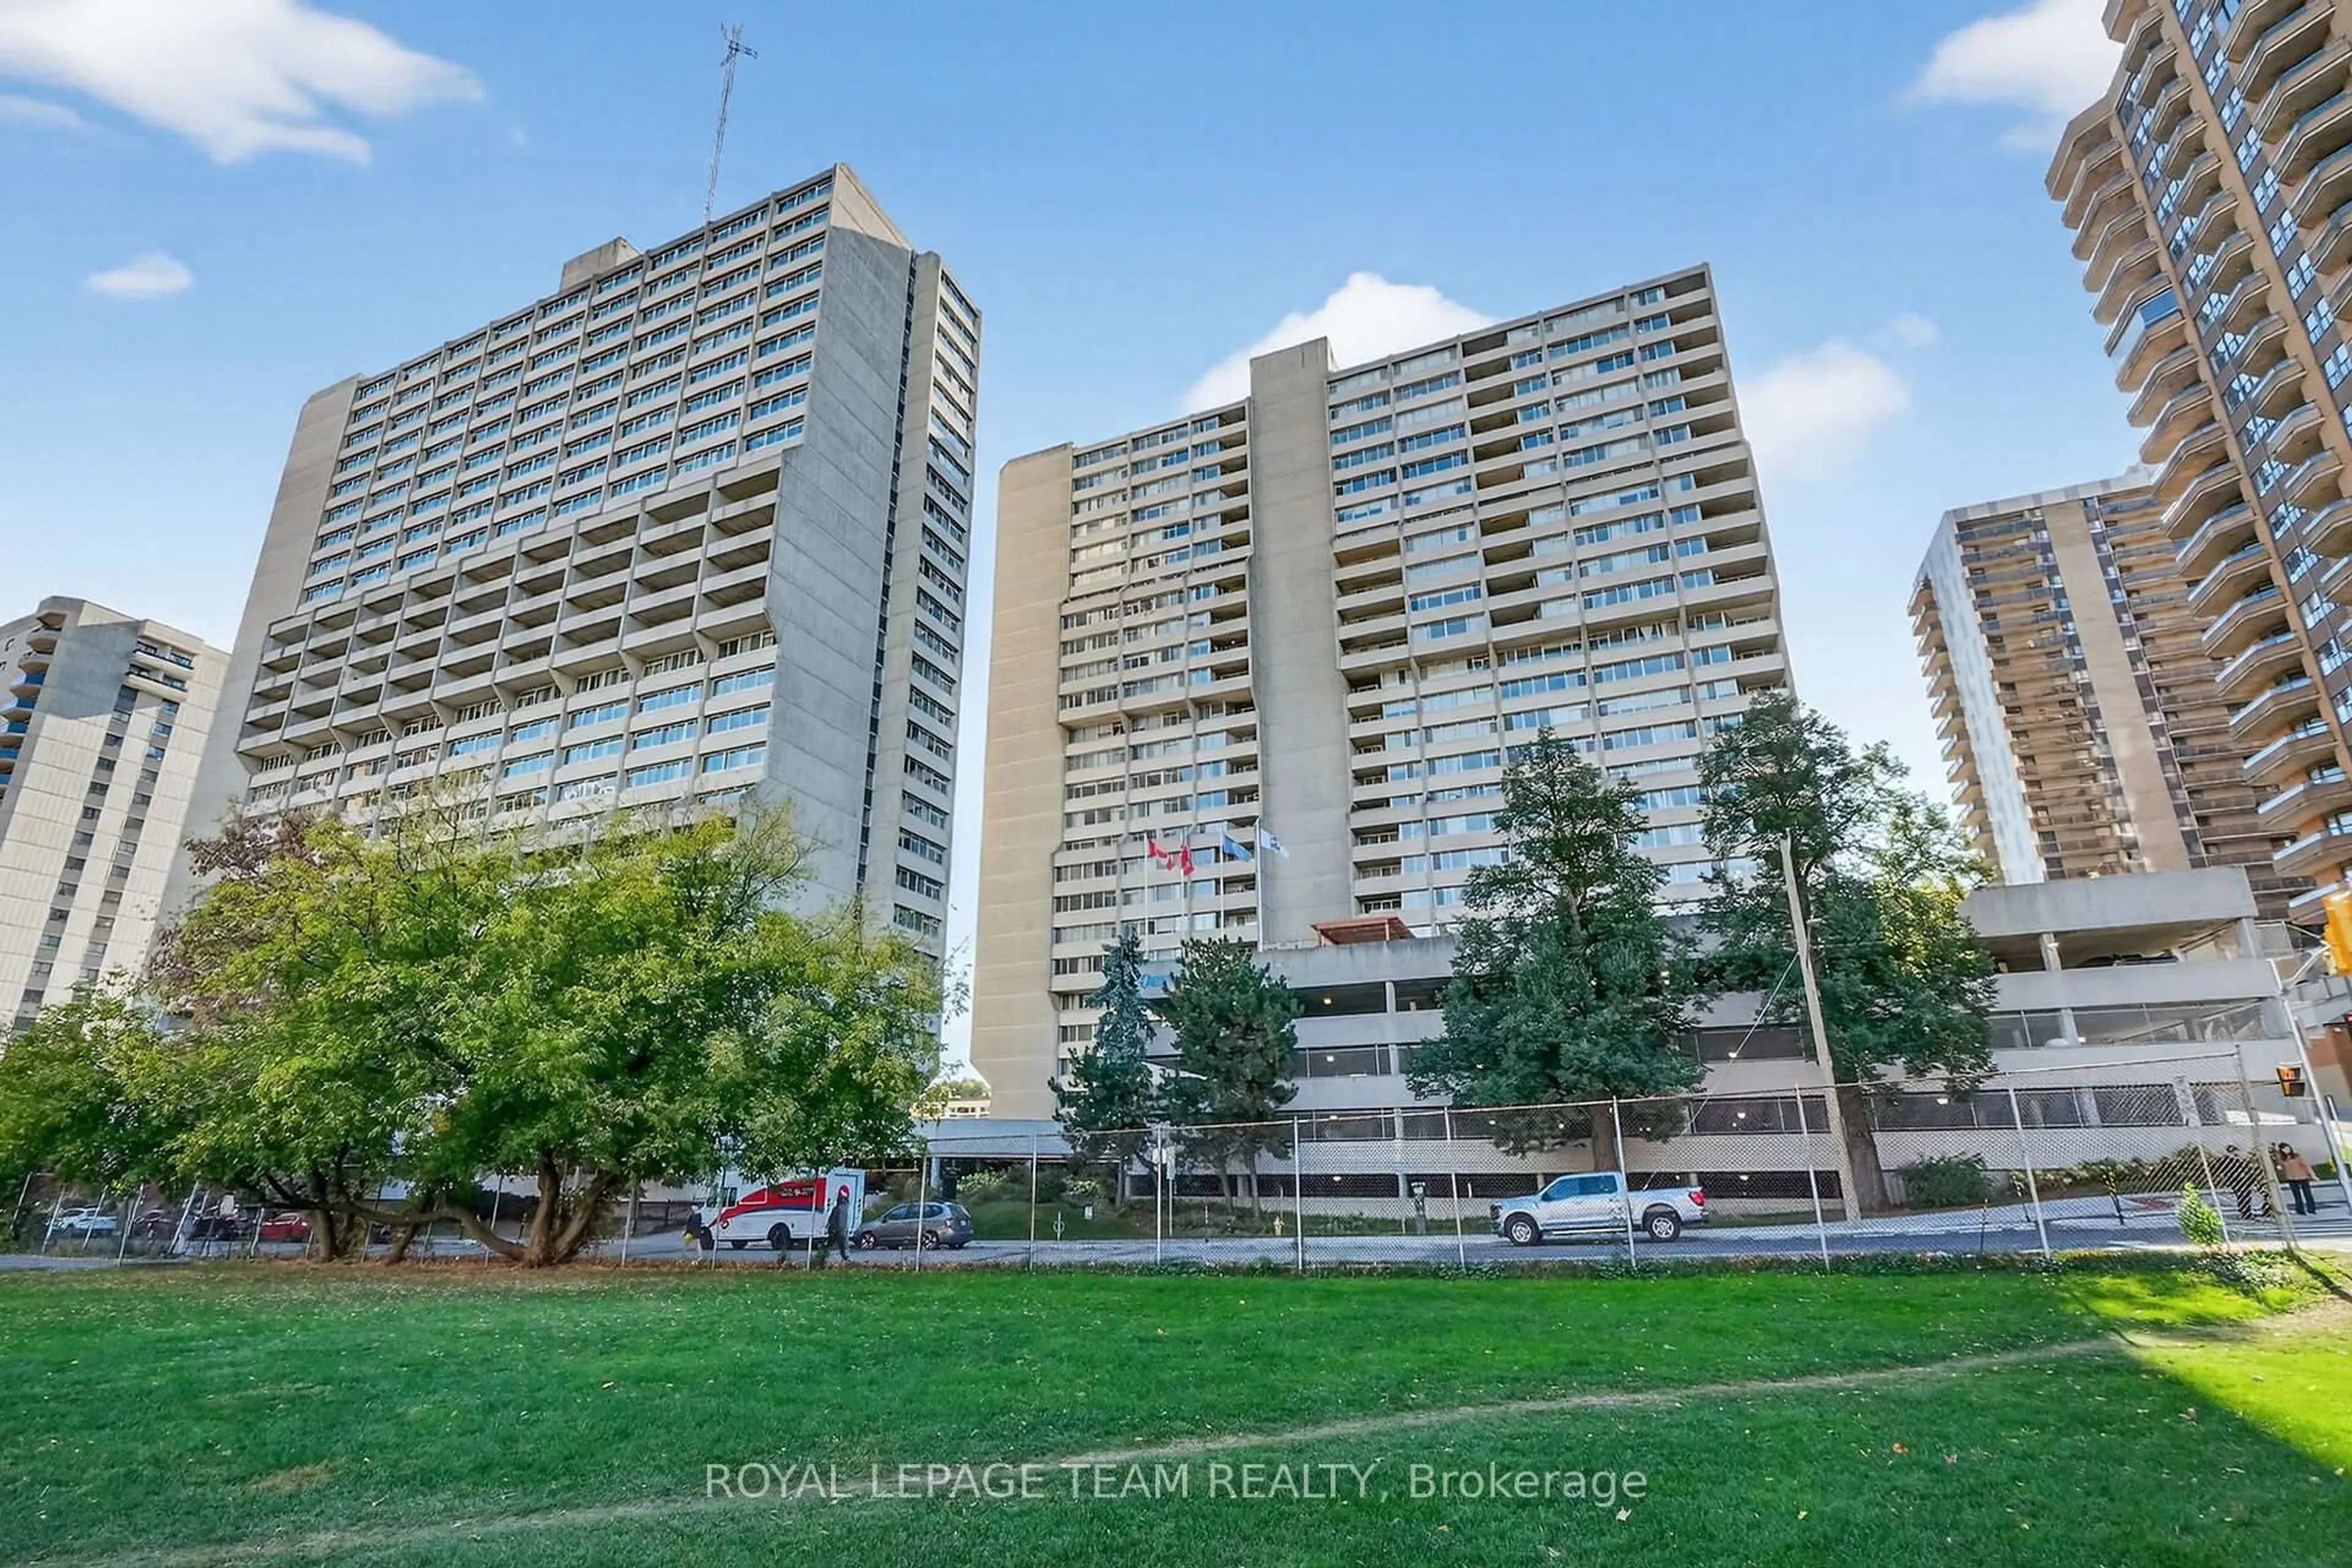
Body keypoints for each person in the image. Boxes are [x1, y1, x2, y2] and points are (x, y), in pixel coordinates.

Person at [2277, 1144, 2319, 1218]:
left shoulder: (2297, 1157)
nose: (2286, 1150)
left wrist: (2313, 1175)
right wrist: (2279, 1167)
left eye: (2287, 1148)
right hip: (2292, 1179)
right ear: (2281, 1151)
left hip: (2302, 1177)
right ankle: (2300, 1210)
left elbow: (2306, 1166)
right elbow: (2281, 1166)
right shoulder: (2283, 1159)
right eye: (2284, 1149)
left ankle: (2311, 1209)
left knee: (2308, 1194)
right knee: (2297, 1196)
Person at [2222, 1145, 2261, 1221]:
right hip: (2236, 1181)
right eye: (2232, 1152)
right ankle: (2245, 1212)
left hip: (2244, 1181)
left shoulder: (2239, 1161)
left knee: (2246, 1196)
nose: (2234, 1154)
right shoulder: (2227, 1161)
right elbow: (2227, 1173)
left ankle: (2247, 1211)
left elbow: (2245, 1169)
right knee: (2242, 1196)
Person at [824, 1188, 854, 1267]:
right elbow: (832, 1219)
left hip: (838, 1229)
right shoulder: (840, 1208)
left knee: (840, 1244)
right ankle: (845, 1257)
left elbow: (832, 1219)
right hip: (837, 1230)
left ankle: (824, 1255)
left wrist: (829, 1227)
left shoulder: (840, 1208)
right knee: (840, 1244)